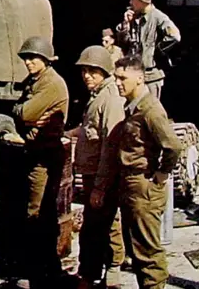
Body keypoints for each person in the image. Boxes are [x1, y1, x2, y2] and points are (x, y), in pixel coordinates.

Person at [4, 36, 69, 289]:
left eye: (33, 58)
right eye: (26, 58)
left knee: (39, 213)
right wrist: (25, 114)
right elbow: (19, 111)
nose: (28, 62)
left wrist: (27, 114)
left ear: (45, 59)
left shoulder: (52, 84)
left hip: (46, 156)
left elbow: (26, 112)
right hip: (36, 152)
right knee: (38, 212)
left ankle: (40, 271)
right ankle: (45, 268)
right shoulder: (35, 82)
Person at [114, 55, 183, 289]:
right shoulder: (132, 107)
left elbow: (173, 145)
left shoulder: (150, 109)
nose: (118, 83)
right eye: (116, 78)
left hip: (144, 187)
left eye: (123, 78)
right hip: (131, 185)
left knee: (148, 254)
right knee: (137, 248)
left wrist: (163, 173)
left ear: (140, 78)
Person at [72, 46, 125, 289]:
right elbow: (89, 131)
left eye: (93, 71)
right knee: (103, 223)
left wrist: (100, 188)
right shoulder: (97, 97)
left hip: (101, 176)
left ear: (104, 72)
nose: (87, 76)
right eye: (84, 71)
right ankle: (99, 271)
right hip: (93, 174)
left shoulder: (109, 99)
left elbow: (110, 146)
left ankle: (106, 272)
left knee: (98, 227)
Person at [116, 0, 180, 99]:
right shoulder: (134, 17)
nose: (130, 2)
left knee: (149, 110)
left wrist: (157, 51)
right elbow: (123, 45)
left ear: (141, 0)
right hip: (135, 73)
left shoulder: (157, 17)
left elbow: (175, 36)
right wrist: (126, 25)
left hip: (150, 77)